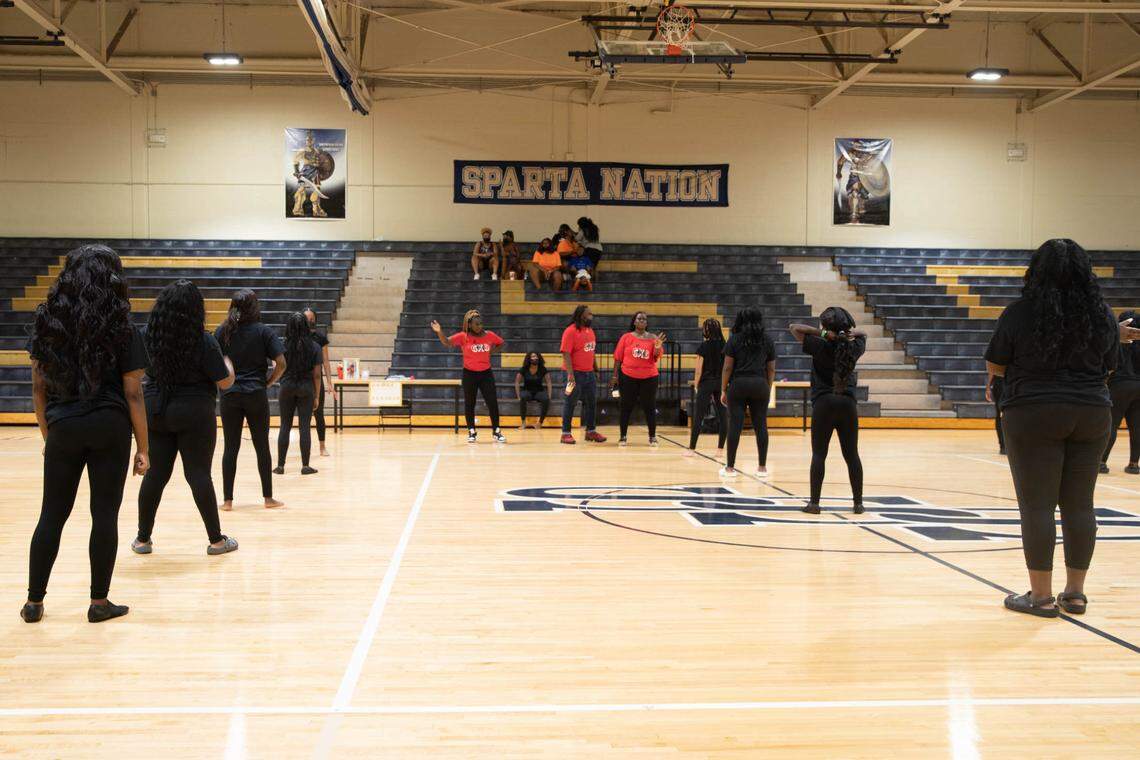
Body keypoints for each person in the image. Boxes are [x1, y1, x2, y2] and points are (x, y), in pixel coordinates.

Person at [984, 239, 1119, 619]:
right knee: (1080, 504)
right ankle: (1075, 594)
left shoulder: (1020, 312)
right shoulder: (1102, 314)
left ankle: (1040, 597)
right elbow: (1110, 365)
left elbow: (997, 364)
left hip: (1033, 412)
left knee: (1038, 505)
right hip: (1092, 412)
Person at [23, 244, 150, 624]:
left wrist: (50, 434)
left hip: (63, 423)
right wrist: (144, 447)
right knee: (104, 515)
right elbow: (133, 392)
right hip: (110, 426)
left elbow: (37, 388)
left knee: (51, 515)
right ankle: (98, 603)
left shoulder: (48, 320)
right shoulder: (122, 325)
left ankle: (34, 602)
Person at [134, 280, 238, 558]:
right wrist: (228, 363)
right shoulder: (203, 339)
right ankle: (216, 541)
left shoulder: (148, 335)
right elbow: (226, 382)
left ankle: (143, 539)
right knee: (198, 474)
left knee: (155, 475)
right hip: (194, 413)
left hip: (155, 410)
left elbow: (137, 372)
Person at [790, 308, 867, 514]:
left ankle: (814, 503)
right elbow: (863, 334)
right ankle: (858, 504)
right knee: (852, 455)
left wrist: (824, 334)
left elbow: (794, 328)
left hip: (824, 403)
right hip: (847, 403)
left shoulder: (819, 344)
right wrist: (848, 335)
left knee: (819, 454)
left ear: (826, 327)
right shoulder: (855, 347)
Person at [215, 289, 286, 511]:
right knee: (262, 446)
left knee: (231, 447)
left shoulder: (222, 332)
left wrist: (222, 383)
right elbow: (281, 363)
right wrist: (268, 382)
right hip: (256, 393)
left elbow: (214, 362)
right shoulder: (264, 332)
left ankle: (227, 501)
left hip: (230, 395)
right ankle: (268, 499)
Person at [431, 310, 506, 443]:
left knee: (492, 402)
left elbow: (501, 343)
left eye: (481, 323)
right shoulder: (463, 336)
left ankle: (496, 431)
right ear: (469, 325)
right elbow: (447, 342)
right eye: (476, 324)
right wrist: (439, 331)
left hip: (486, 374)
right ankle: (471, 431)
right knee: (469, 403)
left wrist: (491, 352)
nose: (479, 326)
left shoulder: (489, 335)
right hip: (469, 374)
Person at [719, 308, 776, 478]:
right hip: (760, 384)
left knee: (735, 425)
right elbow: (771, 368)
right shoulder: (768, 340)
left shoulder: (734, 339)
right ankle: (762, 468)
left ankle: (730, 468)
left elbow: (728, 367)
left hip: (739, 384)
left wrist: (723, 389)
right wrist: (767, 386)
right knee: (761, 426)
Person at [273, 313, 323, 476]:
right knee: (304, 427)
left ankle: (280, 466)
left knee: (285, 426)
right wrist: (316, 396)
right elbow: (317, 375)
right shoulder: (314, 346)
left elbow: (278, 367)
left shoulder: (282, 345)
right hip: (306, 387)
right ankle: (305, 465)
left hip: (287, 386)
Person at [611, 311, 665, 447]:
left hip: (649, 378)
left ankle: (652, 437)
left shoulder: (653, 338)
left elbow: (655, 358)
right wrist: (614, 376)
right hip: (628, 377)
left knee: (650, 407)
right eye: (639, 318)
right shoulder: (626, 337)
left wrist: (658, 347)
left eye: (644, 319)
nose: (642, 321)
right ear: (634, 322)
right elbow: (618, 358)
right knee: (626, 407)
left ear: (646, 323)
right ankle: (623, 437)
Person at [1101, 309, 1140, 474]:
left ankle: (1101, 462)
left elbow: (1109, 364)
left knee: (1112, 425)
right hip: (1139, 385)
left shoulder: (1116, 340)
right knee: (1137, 426)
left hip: (1119, 385)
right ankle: (1133, 464)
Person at [560, 305, 606, 445]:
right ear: (581, 316)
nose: (592, 316)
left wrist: (596, 369)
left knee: (592, 403)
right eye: (589, 314)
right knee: (570, 403)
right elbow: (565, 353)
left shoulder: (590, 331)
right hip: (575, 374)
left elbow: (591, 352)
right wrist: (570, 374)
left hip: (589, 373)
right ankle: (565, 433)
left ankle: (591, 431)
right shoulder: (570, 331)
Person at [685, 318, 727, 459]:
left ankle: (692, 449)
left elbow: (698, 370)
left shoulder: (704, 346)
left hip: (706, 383)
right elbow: (728, 367)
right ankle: (720, 449)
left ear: (707, 330)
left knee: (698, 416)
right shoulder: (725, 345)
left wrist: (697, 385)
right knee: (723, 416)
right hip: (721, 383)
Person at [304, 307, 333, 457]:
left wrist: (329, 383)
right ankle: (305, 448)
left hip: (317, 382)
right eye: (306, 318)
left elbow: (326, 362)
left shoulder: (320, 338)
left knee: (319, 414)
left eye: (311, 318)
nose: (309, 321)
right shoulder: (298, 337)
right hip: (302, 381)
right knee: (305, 417)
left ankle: (322, 446)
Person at [514, 352, 552, 429]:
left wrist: (549, 395)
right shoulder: (524, 369)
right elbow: (517, 382)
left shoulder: (542, 369)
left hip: (539, 391)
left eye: (536, 356)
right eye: (533, 356)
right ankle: (523, 423)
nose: (535, 358)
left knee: (546, 399)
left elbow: (549, 382)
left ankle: (540, 423)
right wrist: (518, 396)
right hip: (527, 391)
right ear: (529, 359)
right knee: (523, 398)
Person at [989, 375, 1007, 455]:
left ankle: (1009, 445)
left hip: (1012, 379)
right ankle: (1003, 445)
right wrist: (989, 385)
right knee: (1000, 414)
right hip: (1000, 381)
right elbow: (992, 367)